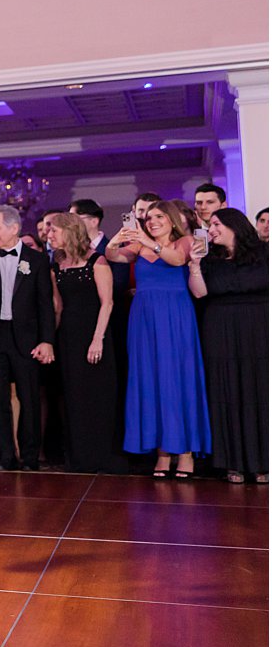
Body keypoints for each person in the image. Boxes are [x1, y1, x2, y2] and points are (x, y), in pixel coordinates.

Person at [107, 200, 209, 478]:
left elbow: (176, 260)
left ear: (172, 219)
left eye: (159, 216)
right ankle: (162, 452)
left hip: (175, 316)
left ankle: (185, 452)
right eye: (149, 218)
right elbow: (111, 255)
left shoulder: (186, 242)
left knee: (176, 379)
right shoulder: (139, 246)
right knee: (150, 380)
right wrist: (121, 235)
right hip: (143, 319)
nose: (152, 222)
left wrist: (146, 242)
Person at [0, 205, 56, 471]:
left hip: (26, 339)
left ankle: (29, 457)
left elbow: (45, 304)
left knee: (29, 399)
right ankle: (5, 455)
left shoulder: (37, 260)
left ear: (14, 228)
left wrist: (47, 340)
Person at [188, 208, 268, 484]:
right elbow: (199, 293)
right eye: (210, 225)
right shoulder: (210, 260)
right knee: (225, 389)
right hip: (219, 326)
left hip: (258, 326)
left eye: (216, 224)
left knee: (260, 388)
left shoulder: (265, 254)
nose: (211, 229)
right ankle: (231, 462)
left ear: (235, 225)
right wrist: (195, 265)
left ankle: (263, 462)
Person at [49, 214, 127, 474]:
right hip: (68, 336)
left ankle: (103, 456)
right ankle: (78, 458)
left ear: (69, 232)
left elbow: (108, 303)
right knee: (72, 396)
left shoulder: (97, 259)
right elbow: (58, 306)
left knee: (98, 395)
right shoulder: (57, 261)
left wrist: (97, 339)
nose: (49, 236)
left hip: (95, 333)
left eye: (54, 232)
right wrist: (50, 338)